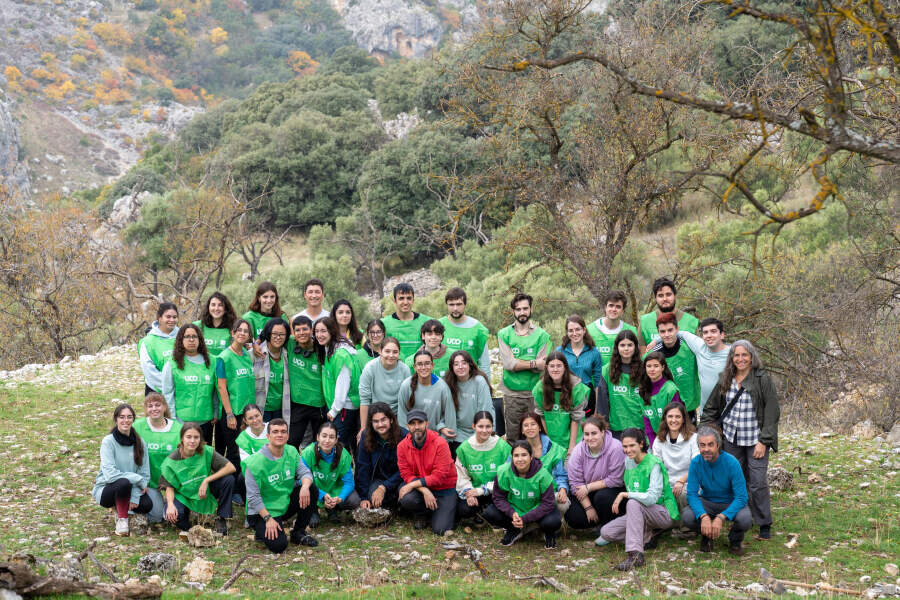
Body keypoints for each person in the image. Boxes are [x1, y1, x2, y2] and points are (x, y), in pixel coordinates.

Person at [701, 340, 779, 540]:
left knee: (758, 482)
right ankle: (740, 518)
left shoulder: (762, 379)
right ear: (731, 358)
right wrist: (711, 433)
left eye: (744, 355)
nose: (740, 359)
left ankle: (764, 524)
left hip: (755, 439)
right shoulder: (725, 379)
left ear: (752, 357)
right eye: (736, 355)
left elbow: (772, 411)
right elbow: (711, 408)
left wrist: (765, 440)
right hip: (731, 440)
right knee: (736, 481)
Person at [596, 428, 679, 570]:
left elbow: (652, 497)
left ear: (641, 444)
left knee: (633, 502)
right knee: (606, 532)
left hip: (662, 513)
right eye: (625, 446)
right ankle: (648, 536)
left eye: (632, 445)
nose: (628, 450)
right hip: (641, 513)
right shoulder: (629, 462)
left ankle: (635, 555)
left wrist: (625, 495)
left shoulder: (654, 464)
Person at [244, 417, 319, 552]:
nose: (280, 434)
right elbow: (253, 497)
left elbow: (305, 473)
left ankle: (298, 533)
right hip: (261, 512)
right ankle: (261, 531)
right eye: (275, 431)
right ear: (268, 436)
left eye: (283, 431)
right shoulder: (254, 462)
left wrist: (305, 487)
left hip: (283, 504)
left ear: (288, 435)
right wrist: (268, 519)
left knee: (311, 489)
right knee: (279, 546)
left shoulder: (291, 451)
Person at [681, 426, 752, 555]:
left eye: (710, 445)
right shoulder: (696, 463)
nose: (706, 449)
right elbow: (691, 494)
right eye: (702, 445)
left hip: (730, 502)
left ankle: (735, 540)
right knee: (687, 516)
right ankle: (707, 535)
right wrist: (703, 516)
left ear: (718, 445)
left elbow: (741, 497)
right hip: (708, 501)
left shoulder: (732, 463)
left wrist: (721, 517)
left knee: (745, 519)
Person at [160, 422, 236, 535]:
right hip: (184, 495)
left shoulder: (206, 451)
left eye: (196, 437)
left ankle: (222, 518)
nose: (192, 441)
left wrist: (207, 480)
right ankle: (190, 526)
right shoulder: (172, 460)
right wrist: (170, 504)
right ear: (182, 438)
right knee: (177, 516)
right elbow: (169, 487)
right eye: (188, 437)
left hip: (204, 490)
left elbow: (231, 467)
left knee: (228, 480)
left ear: (200, 439)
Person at [485, 441, 562, 548]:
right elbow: (498, 497)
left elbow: (547, 503)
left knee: (553, 521)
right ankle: (514, 529)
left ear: (531, 456)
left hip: (536, 510)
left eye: (524, 455)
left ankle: (547, 532)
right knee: (490, 513)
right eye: (516, 455)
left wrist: (526, 518)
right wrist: (512, 513)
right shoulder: (503, 472)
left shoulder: (543, 474)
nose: (520, 459)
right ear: (512, 457)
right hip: (515, 511)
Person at [497, 292, 552, 441]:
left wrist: (519, 362)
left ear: (531, 309)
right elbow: (509, 364)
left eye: (525, 308)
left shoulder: (542, 336)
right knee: (513, 437)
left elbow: (542, 366)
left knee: (537, 435)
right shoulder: (504, 334)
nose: (522, 312)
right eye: (518, 309)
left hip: (535, 394)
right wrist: (533, 362)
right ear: (513, 311)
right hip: (512, 394)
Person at [92, 404, 152, 536]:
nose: (126, 420)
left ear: (133, 419)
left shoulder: (140, 443)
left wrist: (135, 496)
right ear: (116, 419)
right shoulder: (108, 442)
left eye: (129, 417)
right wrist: (137, 479)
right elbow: (110, 476)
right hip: (108, 489)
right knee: (123, 483)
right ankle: (122, 520)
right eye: (122, 417)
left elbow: (144, 473)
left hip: (130, 489)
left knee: (147, 505)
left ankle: (122, 504)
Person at [649, 317, 730, 414]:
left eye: (713, 331)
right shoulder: (699, 347)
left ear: (722, 334)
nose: (709, 335)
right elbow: (678, 333)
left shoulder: (733, 354)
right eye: (705, 332)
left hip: (729, 409)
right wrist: (656, 340)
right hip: (706, 412)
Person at [397, 409, 457, 534]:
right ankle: (421, 514)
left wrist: (413, 485)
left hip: (444, 489)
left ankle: (443, 511)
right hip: (422, 488)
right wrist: (425, 490)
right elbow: (406, 473)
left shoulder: (440, 443)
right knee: (406, 497)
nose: (416, 427)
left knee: (440, 529)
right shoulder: (402, 446)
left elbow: (439, 476)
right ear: (407, 426)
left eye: (420, 422)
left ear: (427, 424)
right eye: (412, 423)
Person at [564, 416, 626, 532]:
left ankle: (608, 524)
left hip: (610, 489)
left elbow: (616, 479)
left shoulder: (615, 447)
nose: (590, 438)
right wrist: (588, 508)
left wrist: (589, 487)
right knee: (573, 517)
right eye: (586, 434)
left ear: (603, 432)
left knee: (602, 498)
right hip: (584, 491)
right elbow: (575, 483)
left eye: (594, 433)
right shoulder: (578, 451)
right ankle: (596, 521)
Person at [161, 323, 216, 442]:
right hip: (182, 422)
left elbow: (217, 390)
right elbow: (167, 394)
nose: (191, 339)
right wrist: (172, 419)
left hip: (206, 421)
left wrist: (216, 412)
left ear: (200, 339)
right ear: (181, 340)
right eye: (187, 336)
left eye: (194, 336)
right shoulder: (172, 363)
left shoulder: (212, 361)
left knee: (203, 457)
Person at [132, 394, 182, 524]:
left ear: (165, 407)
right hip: (148, 483)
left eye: (158, 405)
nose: (154, 409)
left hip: (171, 481)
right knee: (157, 517)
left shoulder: (177, 428)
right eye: (150, 406)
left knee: (179, 515)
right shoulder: (137, 426)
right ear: (146, 409)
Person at [315, 317, 361, 454]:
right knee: (344, 446)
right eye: (316, 331)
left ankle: (346, 474)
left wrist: (334, 410)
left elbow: (343, 385)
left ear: (331, 331)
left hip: (344, 408)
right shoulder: (329, 349)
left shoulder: (341, 354)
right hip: (339, 407)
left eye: (323, 331)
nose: (319, 335)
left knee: (339, 448)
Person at [455, 411, 511, 521]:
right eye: (480, 426)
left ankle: (486, 512)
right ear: (473, 426)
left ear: (492, 427)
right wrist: (469, 493)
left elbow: (507, 475)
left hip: (497, 490)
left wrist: (484, 490)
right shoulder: (464, 448)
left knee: (497, 510)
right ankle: (481, 511)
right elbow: (461, 475)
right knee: (464, 509)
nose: (484, 430)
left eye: (488, 426)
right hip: (475, 491)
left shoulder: (502, 445)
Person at [215, 319, 256, 472]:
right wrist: (229, 414)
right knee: (234, 453)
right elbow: (221, 387)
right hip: (232, 413)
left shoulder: (246, 354)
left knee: (244, 451)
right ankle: (233, 490)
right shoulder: (223, 357)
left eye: (246, 331)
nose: (242, 333)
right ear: (232, 333)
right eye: (239, 330)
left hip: (246, 412)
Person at [533, 352, 590, 458]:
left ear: (565, 367)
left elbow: (576, 419)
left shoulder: (576, 387)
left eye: (559, 366)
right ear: (546, 367)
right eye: (552, 366)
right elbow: (541, 416)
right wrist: (548, 442)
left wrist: (572, 447)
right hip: (552, 436)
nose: (555, 369)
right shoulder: (540, 388)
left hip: (572, 437)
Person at [645, 312, 700, 420]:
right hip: (665, 410)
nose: (666, 334)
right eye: (662, 331)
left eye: (670, 330)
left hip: (689, 406)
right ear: (658, 333)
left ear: (677, 329)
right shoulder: (653, 353)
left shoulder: (690, 347)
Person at [301, 422, 360, 517]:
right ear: (317, 437)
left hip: (334, 491)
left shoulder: (343, 455)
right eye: (324, 436)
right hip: (315, 491)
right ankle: (313, 509)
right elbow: (301, 479)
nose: (327, 440)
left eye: (331, 437)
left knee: (354, 500)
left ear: (336, 440)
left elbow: (349, 482)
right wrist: (322, 495)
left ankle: (333, 507)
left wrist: (340, 498)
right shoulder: (308, 453)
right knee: (303, 488)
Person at [356, 402, 407, 510]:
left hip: (401, 479)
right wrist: (363, 497)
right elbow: (363, 467)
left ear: (391, 420)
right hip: (379, 479)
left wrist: (384, 487)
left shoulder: (404, 436)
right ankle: (392, 505)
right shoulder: (366, 436)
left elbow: (406, 469)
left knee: (407, 498)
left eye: (383, 420)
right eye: (376, 421)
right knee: (372, 498)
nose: (380, 424)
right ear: (371, 423)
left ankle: (399, 504)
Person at [397, 349, 456, 443]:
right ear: (415, 367)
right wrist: (410, 440)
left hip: (436, 441)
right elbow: (402, 417)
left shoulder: (442, 387)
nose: (424, 367)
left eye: (427, 363)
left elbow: (449, 417)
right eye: (420, 364)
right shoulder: (406, 385)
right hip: (413, 441)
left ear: (432, 366)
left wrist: (442, 440)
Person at [358, 337, 410, 441]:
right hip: (376, 416)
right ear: (380, 351)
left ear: (399, 353)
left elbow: (406, 400)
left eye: (395, 352)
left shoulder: (404, 369)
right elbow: (364, 399)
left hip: (397, 415)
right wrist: (363, 428)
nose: (391, 355)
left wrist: (405, 425)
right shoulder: (370, 368)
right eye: (387, 351)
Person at [286, 316, 325, 449]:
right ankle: (295, 469)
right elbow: (273, 330)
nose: (301, 332)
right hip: (298, 403)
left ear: (312, 330)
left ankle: (318, 469)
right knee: (292, 442)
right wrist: (256, 342)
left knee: (319, 444)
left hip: (318, 404)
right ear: (293, 333)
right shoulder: (291, 343)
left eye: (305, 329)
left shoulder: (321, 347)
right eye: (297, 330)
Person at [651, 402, 699, 510]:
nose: (673, 420)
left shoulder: (693, 438)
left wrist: (681, 481)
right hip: (666, 483)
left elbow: (696, 465)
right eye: (670, 416)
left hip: (687, 481)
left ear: (683, 419)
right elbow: (657, 467)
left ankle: (684, 524)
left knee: (681, 494)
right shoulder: (659, 440)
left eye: (678, 417)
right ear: (665, 419)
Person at [519, 413, 571, 513]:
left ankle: (553, 521)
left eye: (533, 424)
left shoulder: (554, 448)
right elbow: (510, 474)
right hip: (525, 494)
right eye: (526, 425)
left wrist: (563, 489)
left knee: (563, 504)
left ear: (539, 427)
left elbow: (561, 475)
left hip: (549, 493)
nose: (530, 428)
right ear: (522, 430)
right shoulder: (517, 449)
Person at [443, 350, 494, 447]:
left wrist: (484, 432)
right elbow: (442, 410)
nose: (460, 367)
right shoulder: (448, 383)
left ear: (470, 365)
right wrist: (442, 427)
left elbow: (486, 409)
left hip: (478, 431)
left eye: (464, 363)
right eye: (456, 364)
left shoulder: (479, 381)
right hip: (457, 433)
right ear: (452, 367)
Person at [556, 315, 604, 417]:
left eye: (577, 329)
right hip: (565, 396)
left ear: (584, 330)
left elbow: (598, 384)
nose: (574, 333)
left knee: (585, 429)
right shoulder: (560, 351)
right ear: (567, 332)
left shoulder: (594, 352)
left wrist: (596, 410)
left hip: (586, 398)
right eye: (571, 330)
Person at [599, 330, 644, 436]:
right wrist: (605, 428)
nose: (626, 349)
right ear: (616, 347)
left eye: (630, 345)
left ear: (635, 347)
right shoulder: (606, 371)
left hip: (640, 428)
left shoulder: (645, 369)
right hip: (616, 430)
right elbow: (603, 403)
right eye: (622, 345)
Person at [439, 287, 491, 374]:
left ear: (465, 304)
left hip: (469, 382)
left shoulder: (479, 329)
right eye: (451, 305)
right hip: (444, 382)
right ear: (446, 305)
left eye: (459, 304)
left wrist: (486, 386)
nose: (455, 308)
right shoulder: (437, 326)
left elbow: (484, 364)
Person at [637, 277, 699, 347]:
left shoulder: (691, 321)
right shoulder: (645, 321)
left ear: (675, 296)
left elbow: (700, 352)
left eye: (668, 294)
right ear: (655, 298)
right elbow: (642, 354)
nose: (665, 299)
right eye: (660, 295)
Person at [637, 352, 681, 447]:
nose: (652, 369)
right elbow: (646, 419)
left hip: (672, 440)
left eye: (656, 366)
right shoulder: (643, 390)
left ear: (663, 367)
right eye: (649, 366)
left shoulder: (670, 389)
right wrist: (653, 445)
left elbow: (677, 419)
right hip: (654, 441)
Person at [253, 318, 291, 422]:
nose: (278, 337)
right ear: (268, 334)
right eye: (274, 333)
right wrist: (255, 343)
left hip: (281, 409)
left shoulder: (287, 354)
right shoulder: (256, 353)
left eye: (282, 334)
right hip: (261, 408)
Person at [382, 283, 432, 361]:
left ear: (413, 300)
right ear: (394, 301)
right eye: (401, 298)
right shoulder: (383, 324)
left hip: (421, 370)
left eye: (409, 298)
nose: (405, 302)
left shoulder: (428, 322)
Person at [587, 290, 638, 366]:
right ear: (605, 307)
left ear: (623, 311)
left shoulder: (631, 331)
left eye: (618, 307)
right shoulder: (589, 330)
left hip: (620, 377)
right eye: (611, 305)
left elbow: (636, 359)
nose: (614, 309)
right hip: (595, 377)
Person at [139, 302, 179, 396]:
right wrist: (169, 387)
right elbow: (150, 372)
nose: (172, 320)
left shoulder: (184, 336)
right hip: (156, 392)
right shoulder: (148, 341)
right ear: (160, 318)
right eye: (168, 317)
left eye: (174, 317)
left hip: (182, 392)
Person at [194, 292, 236, 358]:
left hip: (224, 367)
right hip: (202, 366)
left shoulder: (233, 327)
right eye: (213, 305)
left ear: (225, 309)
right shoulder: (197, 326)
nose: (216, 308)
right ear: (208, 307)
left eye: (220, 305)